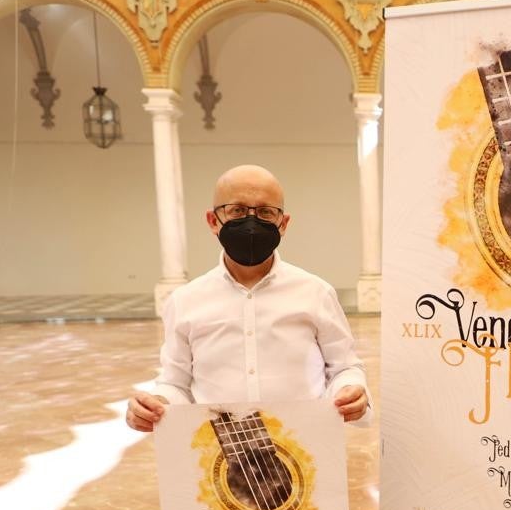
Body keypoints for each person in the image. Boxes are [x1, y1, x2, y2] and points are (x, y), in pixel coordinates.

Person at [126, 164, 369, 432]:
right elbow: (175, 383)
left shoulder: (316, 293)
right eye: (237, 210)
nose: (251, 222)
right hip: (220, 457)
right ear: (213, 221)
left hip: (304, 448)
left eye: (265, 211)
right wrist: (155, 405)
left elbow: (344, 367)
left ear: (283, 223)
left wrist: (351, 390)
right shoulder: (185, 301)